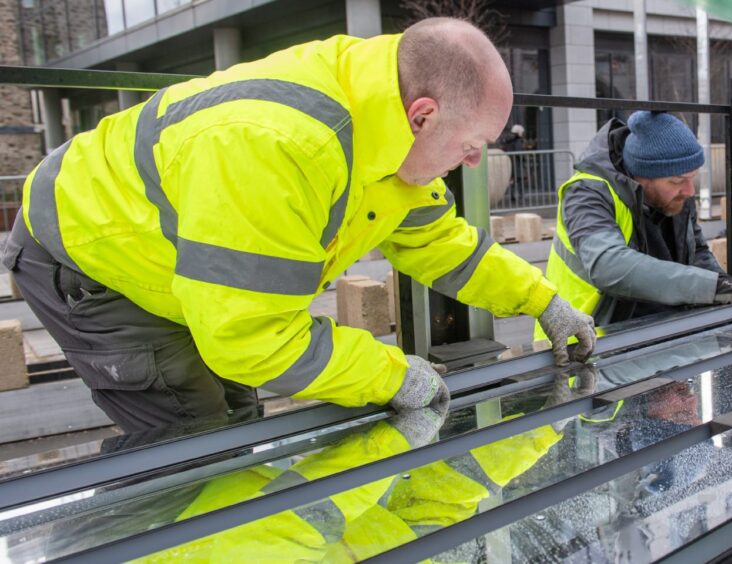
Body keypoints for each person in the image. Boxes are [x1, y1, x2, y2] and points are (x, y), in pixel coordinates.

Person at [1, 17, 595, 433]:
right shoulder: (279, 148)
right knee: (196, 438)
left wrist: (545, 303)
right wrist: (390, 374)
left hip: (166, 253)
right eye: (472, 144)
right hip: (91, 256)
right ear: (424, 115)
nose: (472, 162)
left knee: (237, 418)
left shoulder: (385, 123)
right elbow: (251, 337)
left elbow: (441, 245)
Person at [538, 111, 732, 330]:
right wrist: (708, 287)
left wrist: (726, 286)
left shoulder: (675, 195)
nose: (690, 190)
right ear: (642, 176)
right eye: (677, 180)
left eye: (693, 178)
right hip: (585, 340)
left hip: (654, 332)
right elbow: (608, 266)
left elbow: (696, 252)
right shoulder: (587, 192)